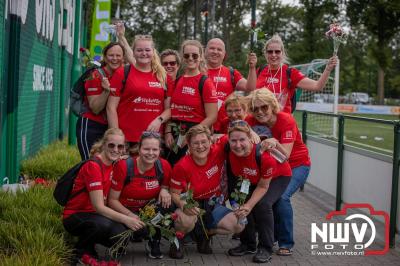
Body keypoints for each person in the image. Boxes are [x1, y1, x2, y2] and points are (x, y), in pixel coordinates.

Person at [247, 89, 311, 256]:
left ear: (273, 106)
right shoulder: (251, 120)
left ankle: (286, 242)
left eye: (264, 107)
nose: (259, 112)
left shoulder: (286, 120)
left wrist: (274, 142)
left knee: (282, 198)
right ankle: (269, 235)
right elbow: (238, 126)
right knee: (266, 199)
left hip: (297, 164)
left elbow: (285, 155)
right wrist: (250, 130)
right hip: (273, 167)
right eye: (255, 109)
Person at [62, 128, 140, 264]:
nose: (116, 149)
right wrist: (127, 219)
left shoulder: (113, 162)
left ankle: (90, 245)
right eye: (111, 145)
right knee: (101, 226)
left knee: (122, 238)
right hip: (75, 215)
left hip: (93, 215)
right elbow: (99, 207)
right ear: (103, 145)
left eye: (120, 146)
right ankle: (80, 251)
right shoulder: (93, 166)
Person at [169, 125, 244, 255]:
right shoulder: (181, 166)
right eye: (195, 143)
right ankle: (177, 240)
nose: (200, 146)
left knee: (239, 224)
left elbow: (238, 132)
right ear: (189, 145)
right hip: (192, 203)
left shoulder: (218, 150)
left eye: (204, 142)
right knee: (185, 221)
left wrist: (258, 135)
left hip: (212, 203)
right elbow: (174, 193)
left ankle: (204, 235)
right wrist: (183, 204)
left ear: (210, 141)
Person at [225, 120, 291, 263]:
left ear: (250, 138)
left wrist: (250, 205)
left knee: (262, 204)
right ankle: (248, 244)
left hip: (277, 177)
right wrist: (244, 204)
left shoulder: (264, 155)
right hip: (252, 178)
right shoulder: (231, 153)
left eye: (242, 140)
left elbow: (262, 187)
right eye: (233, 141)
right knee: (242, 203)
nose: (237, 145)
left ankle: (266, 247)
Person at [108, 131, 173, 259]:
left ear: (160, 150)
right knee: (118, 238)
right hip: (123, 211)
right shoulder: (123, 166)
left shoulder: (164, 165)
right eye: (146, 149)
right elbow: (112, 200)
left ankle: (154, 240)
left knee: (167, 204)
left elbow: (165, 185)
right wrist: (129, 216)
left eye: (155, 149)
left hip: (148, 211)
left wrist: (164, 190)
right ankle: (126, 239)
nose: (150, 153)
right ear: (139, 148)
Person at [107, 34, 171, 150]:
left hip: (153, 140)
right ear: (133, 52)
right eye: (139, 50)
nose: (143, 53)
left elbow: (170, 109)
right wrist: (116, 137)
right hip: (127, 139)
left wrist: (159, 120)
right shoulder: (122, 73)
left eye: (147, 50)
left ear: (153, 51)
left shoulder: (163, 76)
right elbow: (111, 108)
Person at [248, 34, 337, 113]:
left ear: (282, 53)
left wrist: (328, 69)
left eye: (277, 51)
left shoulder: (290, 73)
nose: (273, 55)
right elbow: (250, 90)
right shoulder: (260, 70)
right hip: (260, 122)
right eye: (270, 52)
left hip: (281, 123)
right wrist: (252, 67)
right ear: (265, 54)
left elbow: (317, 86)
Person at [165, 40, 218, 166]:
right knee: (173, 169)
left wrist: (191, 135)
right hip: (174, 133)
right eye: (187, 55)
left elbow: (212, 116)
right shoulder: (176, 81)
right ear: (182, 58)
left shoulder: (205, 82)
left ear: (200, 57)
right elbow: (171, 110)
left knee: (190, 170)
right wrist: (167, 131)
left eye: (194, 55)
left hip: (196, 134)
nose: (190, 58)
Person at [76, 42, 125, 160]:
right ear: (105, 56)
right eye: (111, 55)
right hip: (91, 125)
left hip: (109, 126)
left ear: (123, 57)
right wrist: (106, 91)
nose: (115, 59)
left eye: (118, 55)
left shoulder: (123, 74)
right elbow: (95, 108)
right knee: (90, 163)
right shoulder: (96, 75)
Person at [205, 38, 257, 132]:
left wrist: (252, 67)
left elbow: (250, 88)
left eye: (219, 49)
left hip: (225, 127)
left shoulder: (231, 73)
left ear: (224, 54)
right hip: (202, 127)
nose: (215, 52)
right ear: (205, 51)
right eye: (212, 48)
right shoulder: (197, 72)